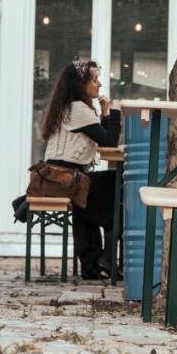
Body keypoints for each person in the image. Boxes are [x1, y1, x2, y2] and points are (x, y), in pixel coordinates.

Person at [38, 60, 121, 279]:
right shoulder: (78, 109)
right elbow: (109, 143)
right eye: (94, 80)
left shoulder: (70, 107)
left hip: (60, 177)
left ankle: (95, 263)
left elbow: (103, 139)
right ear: (79, 84)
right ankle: (107, 259)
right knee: (119, 183)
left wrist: (103, 114)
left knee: (98, 192)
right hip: (66, 179)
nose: (99, 84)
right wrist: (112, 112)